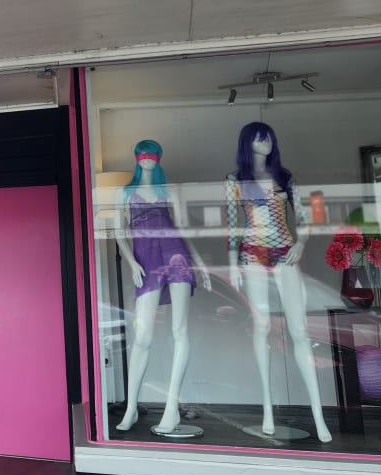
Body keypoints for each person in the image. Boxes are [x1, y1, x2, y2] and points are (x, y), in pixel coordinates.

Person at [225, 122, 331, 443]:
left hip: (286, 252)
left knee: (299, 330)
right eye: (259, 138)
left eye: (268, 136)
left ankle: (318, 413)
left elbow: (307, 215)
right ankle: (268, 409)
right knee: (261, 328)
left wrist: (301, 243)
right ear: (248, 142)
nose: (266, 142)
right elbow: (232, 224)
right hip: (252, 255)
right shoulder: (235, 180)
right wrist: (232, 265)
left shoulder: (285, 177)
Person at [115, 140, 211, 433]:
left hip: (176, 256)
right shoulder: (125, 193)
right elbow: (119, 232)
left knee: (179, 330)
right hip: (146, 260)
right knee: (142, 336)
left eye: (153, 154)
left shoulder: (168, 193)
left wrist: (201, 264)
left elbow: (181, 228)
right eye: (143, 154)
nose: (148, 158)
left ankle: (172, 408)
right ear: (136, 158)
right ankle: (131, 407)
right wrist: (132, 263)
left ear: (159, 159)